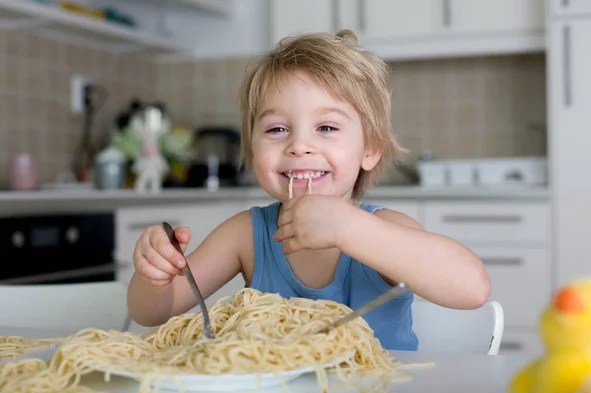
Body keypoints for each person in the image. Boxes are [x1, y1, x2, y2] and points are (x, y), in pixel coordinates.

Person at [127, 29, 491, 351]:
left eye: (327, 128)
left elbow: (472, 288)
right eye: (277, 130)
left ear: (370, 149)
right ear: (252, 150)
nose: (299, 145)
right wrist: (155, 276)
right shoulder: (244, 235)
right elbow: (151, 313)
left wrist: (349, 228)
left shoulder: (387, 228)